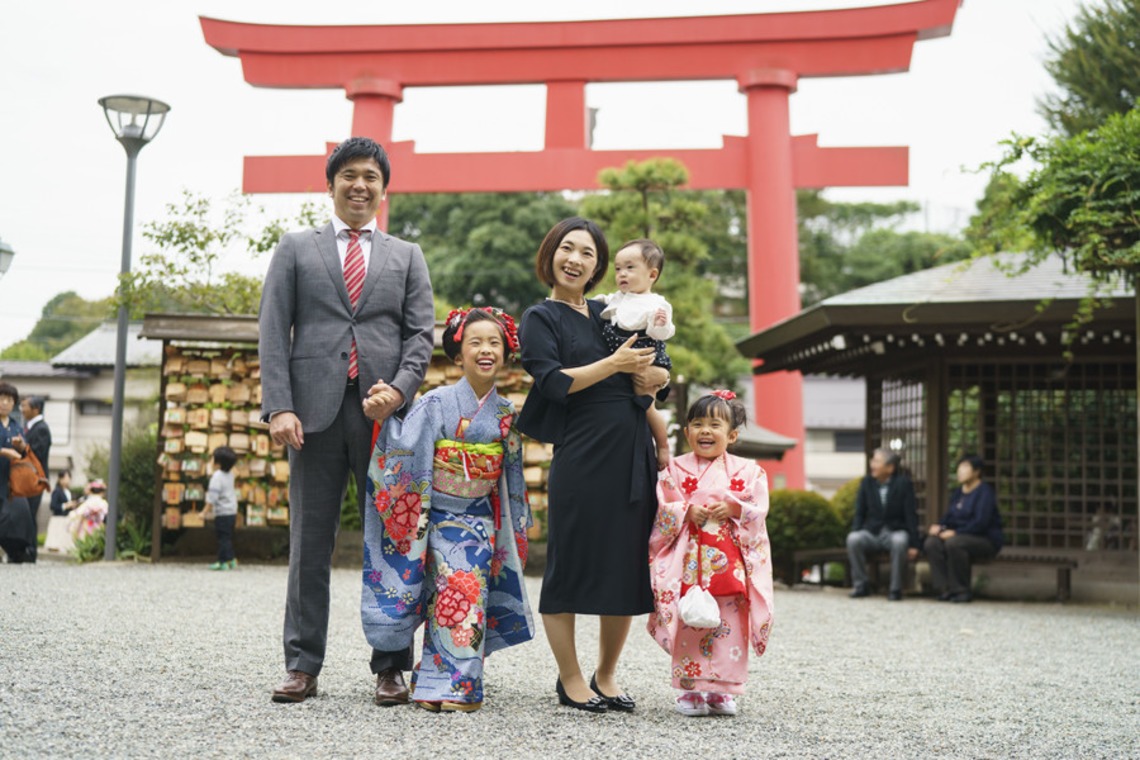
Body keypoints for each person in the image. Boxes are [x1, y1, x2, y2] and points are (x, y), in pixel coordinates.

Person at [259, 136, 435, 705]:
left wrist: (401, 390)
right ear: (331, 183)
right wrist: (279, 405)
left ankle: (390, 665)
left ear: (384, 188)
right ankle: (302, 664)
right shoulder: (294, 248)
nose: (360, 185)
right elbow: (273, 330)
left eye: (371, 177)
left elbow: (420, 337)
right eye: (349, 176)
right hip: (311, 417)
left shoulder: (407, 254)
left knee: (392, 543)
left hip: (384, 419)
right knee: (310, 543)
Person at [517, 217, 669, 713]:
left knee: (624, 565)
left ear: (599, 266)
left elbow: (654, 367)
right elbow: (553, 382)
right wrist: (615, 366)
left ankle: (606, 675)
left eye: (587, 253)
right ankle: (571, 677)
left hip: (631, 446)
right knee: (570, 561)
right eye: (567, 248)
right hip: (582, 450)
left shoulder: (611, 313)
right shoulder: (541, 317)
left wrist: (656, 378)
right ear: (551, 255)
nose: (575, 259)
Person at [361, 307, 533, 713]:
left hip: (480, 519)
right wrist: (387, 413)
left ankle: (451, 684)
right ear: (458, 355)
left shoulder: (506, 414)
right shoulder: (435, 403)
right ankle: (448, 683)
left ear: (506, 355)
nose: (486, 350)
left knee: (466, 592)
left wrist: (512, 527)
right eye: (475, 342)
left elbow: (511, 479)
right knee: (453, 592)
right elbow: (402, 446)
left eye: (495, 343)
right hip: (434, 516)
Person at [649, 390, 774, 717]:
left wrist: (734, 507)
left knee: (729, 622)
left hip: (729, 560)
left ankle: (723, 690)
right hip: (688, 561)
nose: (705, 431)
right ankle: (689, 689)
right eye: (697, 424)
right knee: (690, 619)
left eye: (715, 425)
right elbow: (663, 506)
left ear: (731, 435)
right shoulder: (673, 468)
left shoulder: (748, 471)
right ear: (687, 432)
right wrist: (683, 512)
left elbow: (758, 511)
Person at [592, 239, 675, 470]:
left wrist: (659, 323)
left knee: (647, 406)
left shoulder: (657, 303)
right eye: (618, 269)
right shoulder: (619, 297)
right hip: (621, 363)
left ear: (652, 274)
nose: (622, 274)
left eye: (630, 268)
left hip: (647, 359)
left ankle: (663, 445)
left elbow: (663, 333)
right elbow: (606, 303)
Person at [924, 454, 1003, 603]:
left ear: (976, 472)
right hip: (959, 536)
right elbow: (950, 517)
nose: (960, 471)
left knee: (954, 543)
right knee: (932, 543)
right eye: (959, 467)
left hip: (984, 539)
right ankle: (944, 588)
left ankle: (961, 590)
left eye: (965, 467)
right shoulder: (958, 492)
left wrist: (955, 532)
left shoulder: (984, 492)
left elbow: (981, 523)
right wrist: (940, 527)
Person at [845, 448, 920, 601]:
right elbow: (860, 512)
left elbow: (911, 514)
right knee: (853, 539)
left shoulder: (903, 484)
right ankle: (861, 585)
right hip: (872, 532)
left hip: (895, 531)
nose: (872, 464)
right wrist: (856, 530)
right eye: (873, 460)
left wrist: (914, 544)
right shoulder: (866, 483)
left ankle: (895, 588)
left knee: (900, 541)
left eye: (877, 461)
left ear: (890, 467)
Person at [0, 382, 37, 563]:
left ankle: (16, 551)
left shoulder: (16, 426)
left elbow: (25, 452)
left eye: (9, 400)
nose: (5, 403)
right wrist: (3, 451)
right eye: (2, 398)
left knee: (18, 515)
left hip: (11, 480)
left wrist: (22, 447)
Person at [201, 446, 239, 571]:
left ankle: (223, 561)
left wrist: (204, 512)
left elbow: (212, 497)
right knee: (227, 537)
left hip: (222, 512)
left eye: (213, 458)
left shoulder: (217, 476)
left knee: (223, 538)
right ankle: (231, 559)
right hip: (232, 511)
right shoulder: (230, 475)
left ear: (218, 463)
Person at [20, 396, 51, 532]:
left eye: (25, 406)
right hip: (25, 479)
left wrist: (21, 447)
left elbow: (37, 455)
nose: (22, 410)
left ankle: (30, 551)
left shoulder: (41, 429)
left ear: (36, 409)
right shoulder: (28, 427)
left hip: (34, 480)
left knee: (29, 516)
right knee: (23, 516)